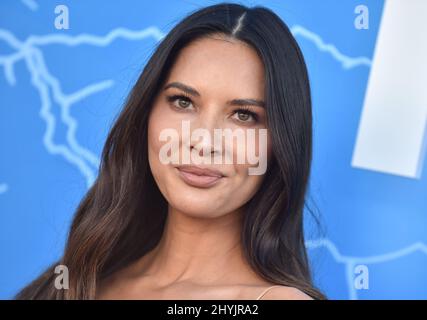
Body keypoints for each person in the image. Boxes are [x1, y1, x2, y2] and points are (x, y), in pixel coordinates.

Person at [16, 2, 325, 300]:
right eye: (183, 102)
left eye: (243, 115)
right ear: (146, 114)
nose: (203, 142)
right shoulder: (75, 284)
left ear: (279, 145)